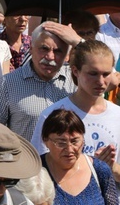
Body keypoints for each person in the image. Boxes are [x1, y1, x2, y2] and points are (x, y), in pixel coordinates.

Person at [31, 40, 120, 182]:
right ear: (75, 71)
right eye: (93, 73)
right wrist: (88, 165)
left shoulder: (117, 115)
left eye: (106, 74)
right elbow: (38, 171)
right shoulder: (53, 115)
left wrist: (112, 168)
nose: (101, 81)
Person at [37, 108, 120, 205]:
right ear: (45, 140)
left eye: (75, 141)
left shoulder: (100, 170)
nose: (70, 149)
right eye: (61, 143)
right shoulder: (36, 171)